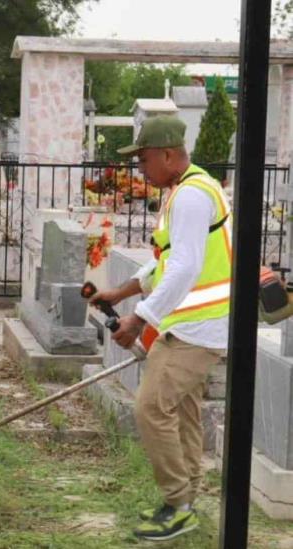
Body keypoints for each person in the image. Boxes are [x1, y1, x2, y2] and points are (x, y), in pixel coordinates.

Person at [91, 115, 232, 542]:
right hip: (190, 324)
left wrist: (139, 319)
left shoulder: (190, 196)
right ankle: (187, 496)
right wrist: (120, 293)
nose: (139, 169)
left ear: (169, 154)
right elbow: (166, 260)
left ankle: (177, 504)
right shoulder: (186, 189)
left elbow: (187, 267)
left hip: (201, 326)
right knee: (182, 412)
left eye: (144, 159)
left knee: (152, 408)